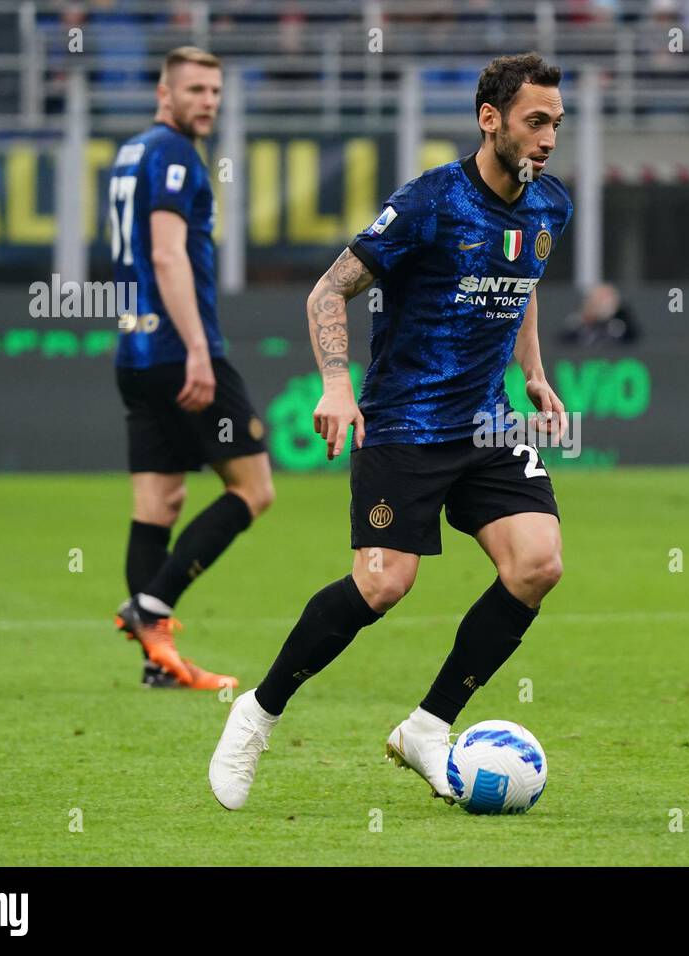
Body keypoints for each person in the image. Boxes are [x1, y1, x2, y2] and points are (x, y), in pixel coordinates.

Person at [209, 51, 572, 810]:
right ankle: (258, 713)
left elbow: (522, 282)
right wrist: (337, 384)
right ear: (490, 120)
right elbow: (329, 290)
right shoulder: (430, 203)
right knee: (383, 584)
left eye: (556, 124)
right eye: (534, 121)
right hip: (405, 422)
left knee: (537, 564)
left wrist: (533, 372)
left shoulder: (548, 206)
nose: (547, 138)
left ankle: (429, 727)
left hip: (487, 424)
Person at [110, 47, 275, 690]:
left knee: (160, 502)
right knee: (254, 490)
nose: (209, 101)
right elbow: (168, 254)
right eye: (197, 89)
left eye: (215, 90)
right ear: (164, 92)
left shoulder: (131, 152)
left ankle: (160, 663)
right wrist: (201, 349)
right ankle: (151, 608)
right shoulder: (174, 154)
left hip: (135, 351)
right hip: (181, 352)